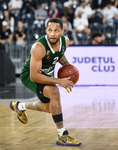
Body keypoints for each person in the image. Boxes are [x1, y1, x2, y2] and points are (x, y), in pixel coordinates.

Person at [9, 18, 81, 146]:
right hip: (30, 76)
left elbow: (59, 54)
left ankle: (20, 106)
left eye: (56, 30)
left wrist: (68, 67)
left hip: (46, 74)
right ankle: (62, 135)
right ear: (46, 31)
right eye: (50, 30)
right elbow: (34, 76)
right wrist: (59, 81)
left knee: (50, 108)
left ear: (62, 32)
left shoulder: (66, 42)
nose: (52, 34)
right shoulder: (39, 47)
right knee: (54, 92)